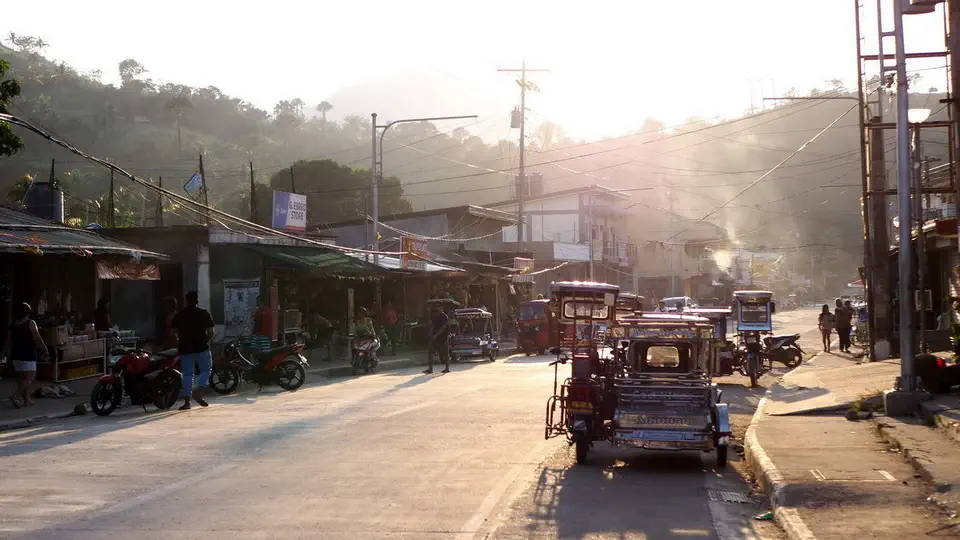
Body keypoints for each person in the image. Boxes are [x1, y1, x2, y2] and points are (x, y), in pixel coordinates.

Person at [172, 291, 215, 411]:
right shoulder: (204, 313)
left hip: (185, 348)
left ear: (186, 301)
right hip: (202, 347)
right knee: (206, 370)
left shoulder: (180, 315)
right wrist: (206, 341)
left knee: (187, 374)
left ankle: (187, 402)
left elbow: (174, 332)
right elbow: (211, 332)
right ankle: (199, 390)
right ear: (197, 300)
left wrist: (180, 339)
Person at [2, 303, 49, 408]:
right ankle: (15, 396)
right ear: (27, 313)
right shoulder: (30, 323)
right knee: (29, 379)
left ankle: (27, 401)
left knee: (22, 379)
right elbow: (37, 338)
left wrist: (5, 354)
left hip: (16, 356)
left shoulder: (13, 325)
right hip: (28, 355)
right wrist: (45, 349)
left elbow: (8, 342)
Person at [425, 303, 450, 374]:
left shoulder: (444, 316)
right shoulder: (435, 316)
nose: (438, 308)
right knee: (430, 352)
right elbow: (433, 325)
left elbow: (443, 327)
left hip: (443, 337)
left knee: (445, 353)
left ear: (442, 308)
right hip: (435, 337)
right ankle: (430, 369)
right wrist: (430, 332)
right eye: (437, 307)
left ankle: (447, 368)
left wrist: (436, 335)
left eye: (439, 307)